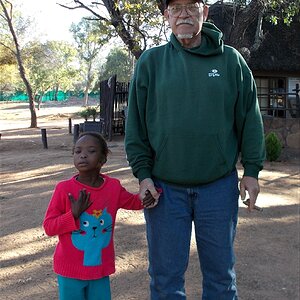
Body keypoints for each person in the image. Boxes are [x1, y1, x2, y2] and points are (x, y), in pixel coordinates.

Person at [124, 0, 266, 299]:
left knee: (220, 276)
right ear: (167, 16)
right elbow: (135, 126)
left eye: (192, 6)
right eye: (176, 8)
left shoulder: (231, 61)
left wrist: (251, 172)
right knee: (165, 279)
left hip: (217, 187)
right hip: (163, 190)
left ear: (205, 12)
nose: (184, 14)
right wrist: (143, 175)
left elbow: (249, 120)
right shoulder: (151, 63)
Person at [43, 132, 156, 300]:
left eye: (91, 151)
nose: (83, 155)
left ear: (103, 159)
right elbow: (49, 227)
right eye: (77, 151)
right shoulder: (64, 189)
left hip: (99, 268)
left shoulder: (113, 187)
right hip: (70, 270)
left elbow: (133, 202)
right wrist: (73, 214)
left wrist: (149, 196)